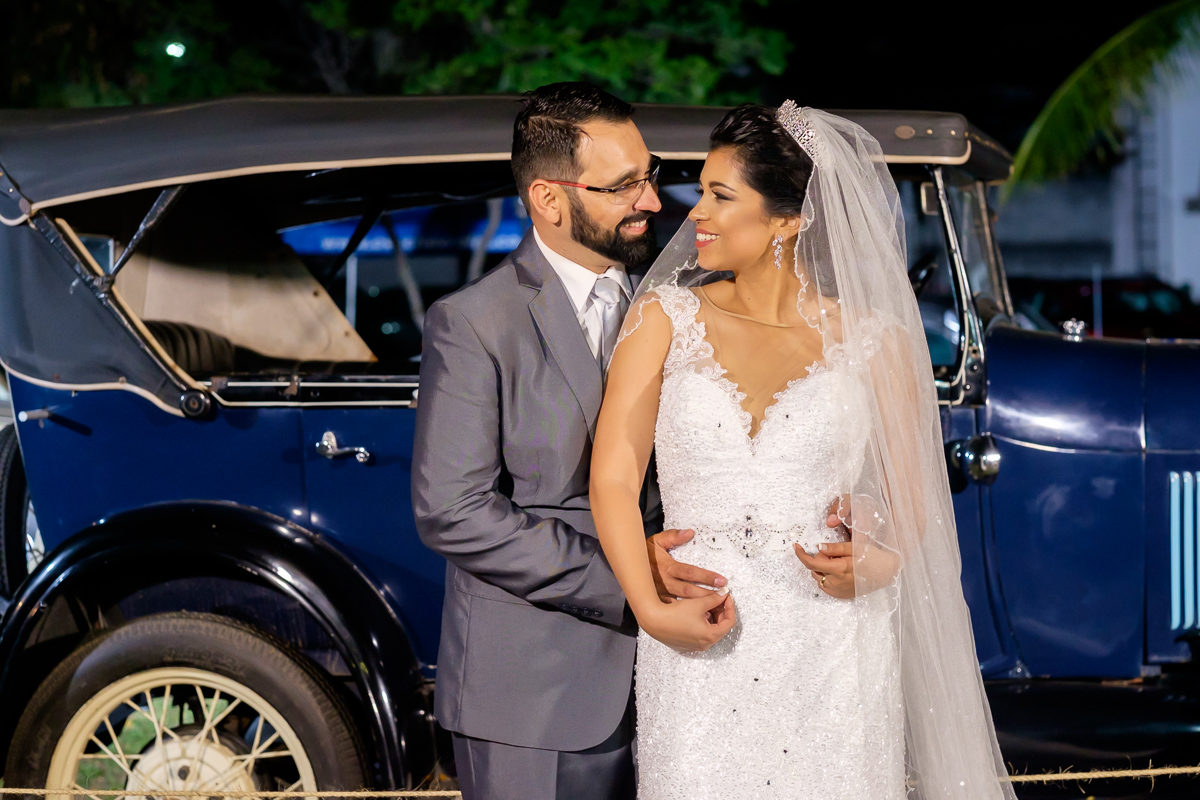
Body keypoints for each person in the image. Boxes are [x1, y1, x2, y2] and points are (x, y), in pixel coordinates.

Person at [591, 103, 1018, 799]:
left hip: (835, 642)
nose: (694, 212)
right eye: (699, 190)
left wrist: (880, 558)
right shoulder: (663, 318)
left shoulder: (877, 340)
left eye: (720, 196)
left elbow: (915, 503)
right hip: (698, 624)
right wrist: (648, 604)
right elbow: (612, 476)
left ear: (789, 220)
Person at [411, 82, 729, 800]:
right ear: (550, 200)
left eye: (649, 176)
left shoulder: (682, 304)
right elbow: (452, 510)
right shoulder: (473, 324)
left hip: (687, 686)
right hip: (534, 692)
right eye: (623, 186)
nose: (651, 201)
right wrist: (631, 580)